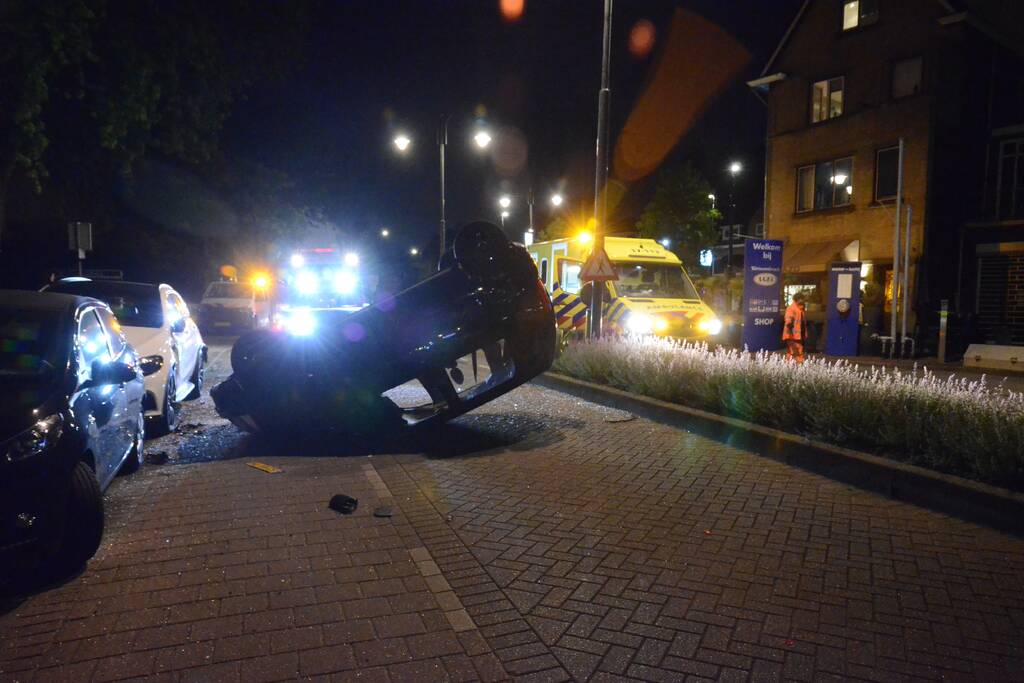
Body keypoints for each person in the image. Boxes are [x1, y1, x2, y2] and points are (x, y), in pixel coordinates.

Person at [783, 291, 807, 362]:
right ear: (797, 299)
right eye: (802, 299)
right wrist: (789, 325)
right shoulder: (791, 308)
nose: (803, 301)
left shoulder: (800, 309)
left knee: (793, 351)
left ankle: (789, 365)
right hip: (793, 335)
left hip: (799, 335)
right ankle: (798, 365)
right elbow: (788, 318)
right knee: (796, 351)